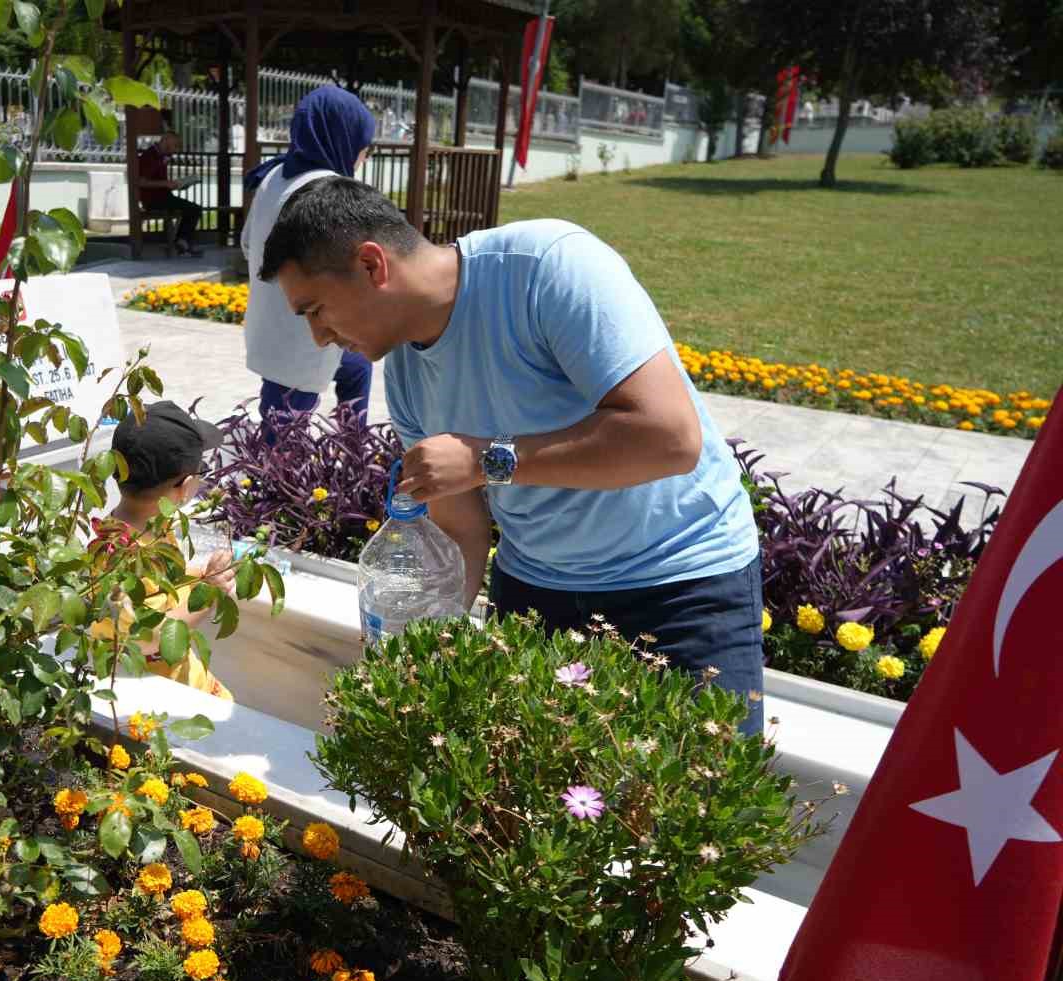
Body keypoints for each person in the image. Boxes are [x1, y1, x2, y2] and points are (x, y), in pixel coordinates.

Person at [257, 178, 765, 733]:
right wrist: (429, 655)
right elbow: (462, 528)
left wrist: (486, 460)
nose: (318, 338)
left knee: (690, 808)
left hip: (678, 584)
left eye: (315, 310)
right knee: (531, 811)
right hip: (535, 593)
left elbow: (670, 438)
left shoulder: (546, 267)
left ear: (372, 265)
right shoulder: (404, 374)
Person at [242, 85, 378, 432]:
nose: (363, 157)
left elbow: (246, 243)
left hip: (277, 323)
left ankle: (353, 444)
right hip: (303, 330)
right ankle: (273, 482)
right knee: (283, 430)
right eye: (364, 147)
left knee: (358, 365)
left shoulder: (274, 174)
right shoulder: (327, 188)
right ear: (343, 138)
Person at [89, 401, 235, 699]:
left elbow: (163, 580)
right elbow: (148, 637)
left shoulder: (147, 527)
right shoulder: (120, 557)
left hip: (177, 675)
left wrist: (203, 574)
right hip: (155, 694)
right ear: (186, 487)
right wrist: (208, 594)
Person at [137, 130, 202, 257]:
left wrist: (179, 185)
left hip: (163, 197)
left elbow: (160, 182)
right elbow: (141, 182)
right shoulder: (149, 156)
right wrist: (166, 184)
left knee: (193, 209)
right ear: (166, 140)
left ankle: (182, 243)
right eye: (175, 145)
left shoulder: (162, 156)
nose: (175, 150)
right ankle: (181, 244)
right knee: (194, 209)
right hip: (153, 200)